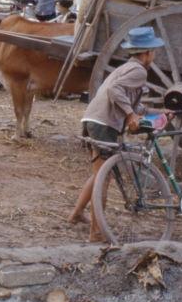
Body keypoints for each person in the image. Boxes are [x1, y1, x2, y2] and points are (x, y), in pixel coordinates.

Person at [69, 27, 165, 243]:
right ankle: (96, 233)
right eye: (154, 52)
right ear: (147, 52)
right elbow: (115, 92)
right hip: (104, 123)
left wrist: (158, 113)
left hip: (94, 119)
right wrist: (130, 115)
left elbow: (132, 103)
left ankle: (76, 215)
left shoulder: (127, 68)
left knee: (99, 174)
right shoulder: (139, 71)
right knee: (104, 178)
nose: (154, 55)